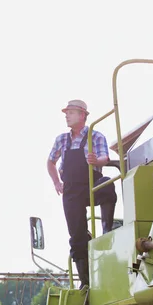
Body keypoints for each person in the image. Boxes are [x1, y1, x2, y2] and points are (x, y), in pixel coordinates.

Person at [47, 99, 117, 288]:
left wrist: (96, 160)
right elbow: (50, 162)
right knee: (76, 236)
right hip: (71, 190)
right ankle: (85, 282)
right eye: (66, 113)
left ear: (82, 115)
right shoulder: (62, 139)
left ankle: (107, 231)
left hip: (91, 183)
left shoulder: (95, 135)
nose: (67, 116)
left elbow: (104, 157)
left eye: (70, 112)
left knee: (109, 186)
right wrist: (56, 182)